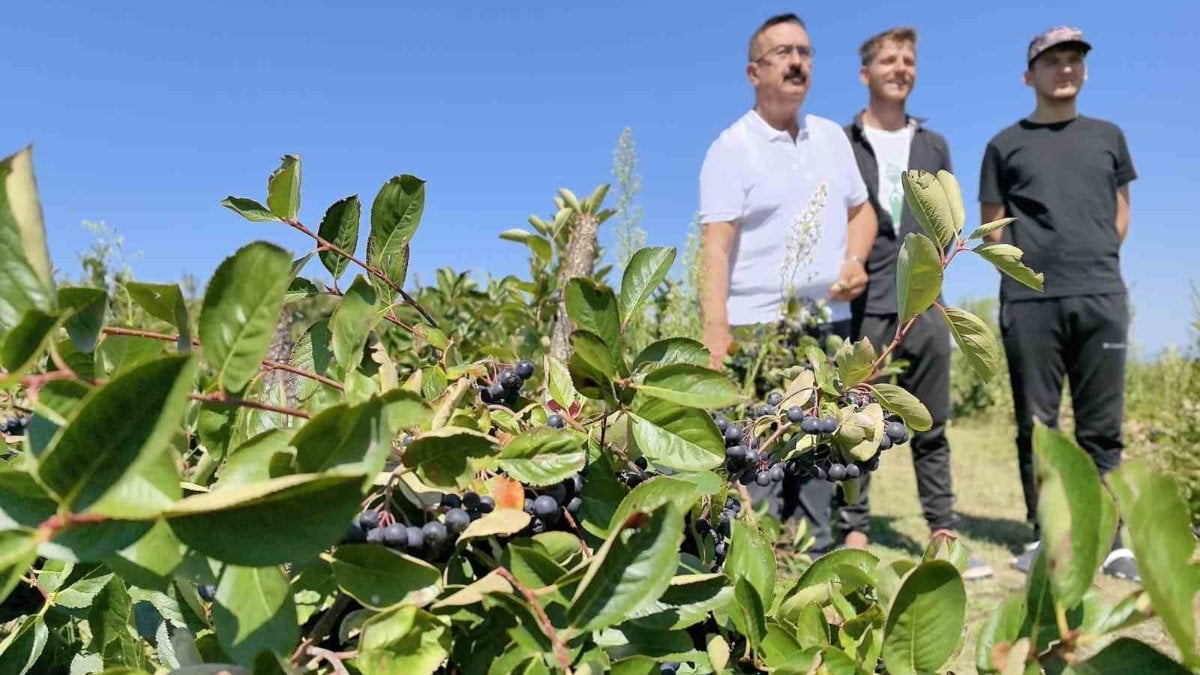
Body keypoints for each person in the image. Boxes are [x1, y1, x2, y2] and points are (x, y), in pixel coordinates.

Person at [699, 13, 877, 554]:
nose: (797, 61)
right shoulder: (730, 148)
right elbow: (716, 247)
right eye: (782, 52)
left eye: (805, 51)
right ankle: (756, 568)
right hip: (759, 330)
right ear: (755, 71)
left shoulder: (830, 138)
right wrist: (715, 332)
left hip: (828, 325)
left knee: (822, 456)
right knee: (761, 460)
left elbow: (862, 213)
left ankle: (816, 571)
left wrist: (854, 260)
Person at [978, 26, 1139, 580]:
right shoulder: (1004, 144)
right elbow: (991, 224)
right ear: (1030, 76)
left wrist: (1092, 259)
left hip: (1101, 294)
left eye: (1074, 60)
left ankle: (1112, 540)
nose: (1064, 68)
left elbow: (1121, 210)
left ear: (1085, 71)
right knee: (1037, 425)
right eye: (1052, 61)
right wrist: (1025, 273)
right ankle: (1046, 532)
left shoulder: (1109, 136)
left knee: (1102, 428)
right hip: (1030, 301)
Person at [840, 27, 993, 580]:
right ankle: (853, 528)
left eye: (908, 60)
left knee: (935, 423)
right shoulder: (842, 141)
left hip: (927, 304)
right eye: (889, 59)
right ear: (866, 73)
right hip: (865, 304)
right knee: (856, 421)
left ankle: (943, 530)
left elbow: (947, 222)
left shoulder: (934, 145)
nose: (900, 67)